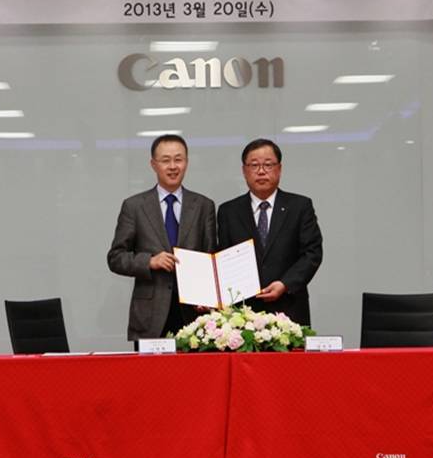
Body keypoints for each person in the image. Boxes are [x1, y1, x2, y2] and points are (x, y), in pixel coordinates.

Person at [107, 134, 216, 342]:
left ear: (186, 162)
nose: (173, 166)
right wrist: (149, 261)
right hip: (150, 315)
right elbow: (115, 258)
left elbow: (211, 257)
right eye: (166, 160)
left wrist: (208, 297)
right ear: (153, 164)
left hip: (194, 315)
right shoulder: (134, 206)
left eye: (178, 159)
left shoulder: (204, 206)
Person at [217, 139, 322, 326]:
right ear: (244, 171)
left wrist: (285, 284)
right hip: (242, 314)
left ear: (279, 169)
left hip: (289, 308)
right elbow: (223, 258)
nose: (261, 171)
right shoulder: (228, 211)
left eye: (268, 165)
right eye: (254, 165)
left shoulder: (300, 206)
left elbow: (312, 253)